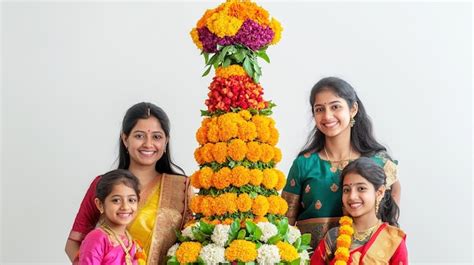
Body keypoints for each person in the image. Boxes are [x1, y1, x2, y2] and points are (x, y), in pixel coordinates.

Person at [66, 102, 191, 264]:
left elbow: (191, 245)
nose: (148, 144)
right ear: (125, 139)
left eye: (157, 137)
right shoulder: (103, 184)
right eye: (139, 136)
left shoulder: (181, 188)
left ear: (166, 141)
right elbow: (73, 243)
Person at [282, 77, 401, 247]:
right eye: (319, 109)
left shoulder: (378, 163)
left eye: (335, 106)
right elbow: (283, 223)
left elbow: (394, 191)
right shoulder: (304, 164)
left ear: (353, 109)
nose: (327, 115)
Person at [310, 157, 407, 264]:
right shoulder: (333, 237)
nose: (352, 196)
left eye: (361, 188)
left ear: (379, 192)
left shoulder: (393, 240)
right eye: (347, 190)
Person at [79, 169, 145, 264]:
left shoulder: (134, 244)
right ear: (100, 205)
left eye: (131, 200)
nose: (125, 207)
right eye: (116, 200)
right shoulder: (97, 238)